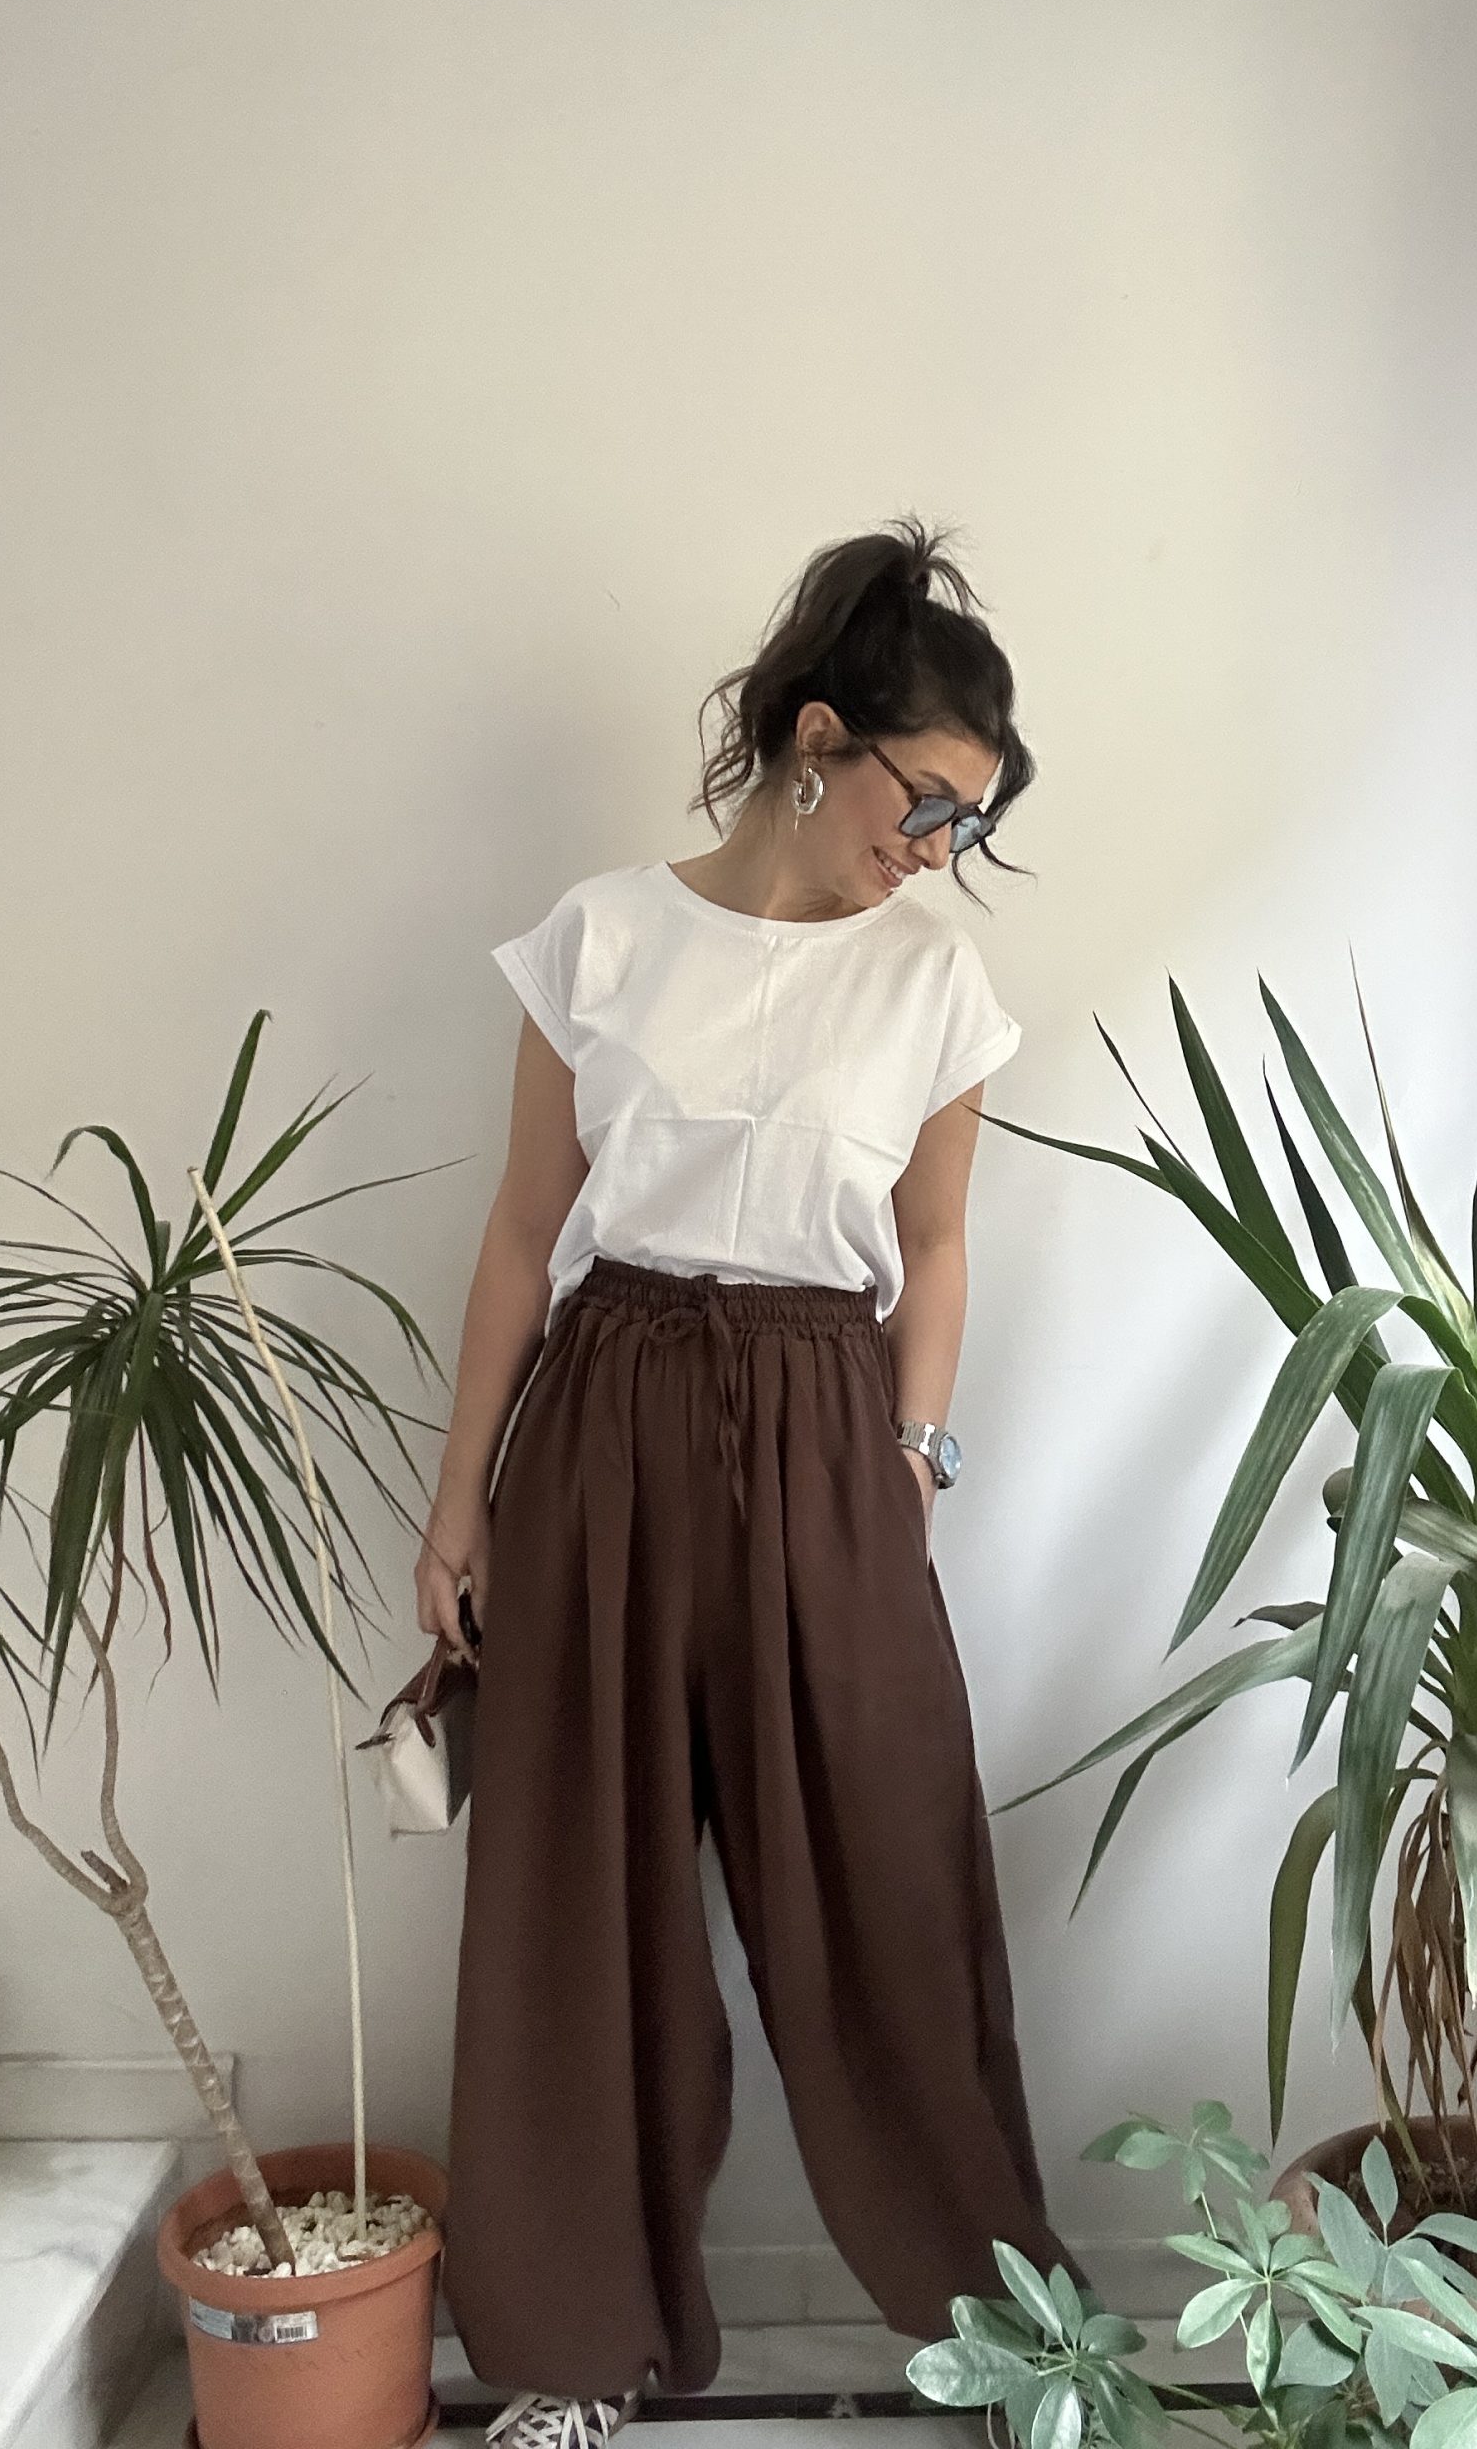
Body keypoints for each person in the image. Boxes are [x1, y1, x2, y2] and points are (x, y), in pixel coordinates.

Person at [416, 520, 1091, 2449]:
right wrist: (459, 1504)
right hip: (607, 1413)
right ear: (819, 741)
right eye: (926, 800)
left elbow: (937, 1248)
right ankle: (574, 2352)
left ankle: (1006, 2335)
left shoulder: (935, 984)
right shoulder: (602, 939)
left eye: (968, 821)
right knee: (586, 1898)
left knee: (891, 1879)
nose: (937, 847)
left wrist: (914, 1459)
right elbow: (521, 1234)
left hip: (828, 1424)